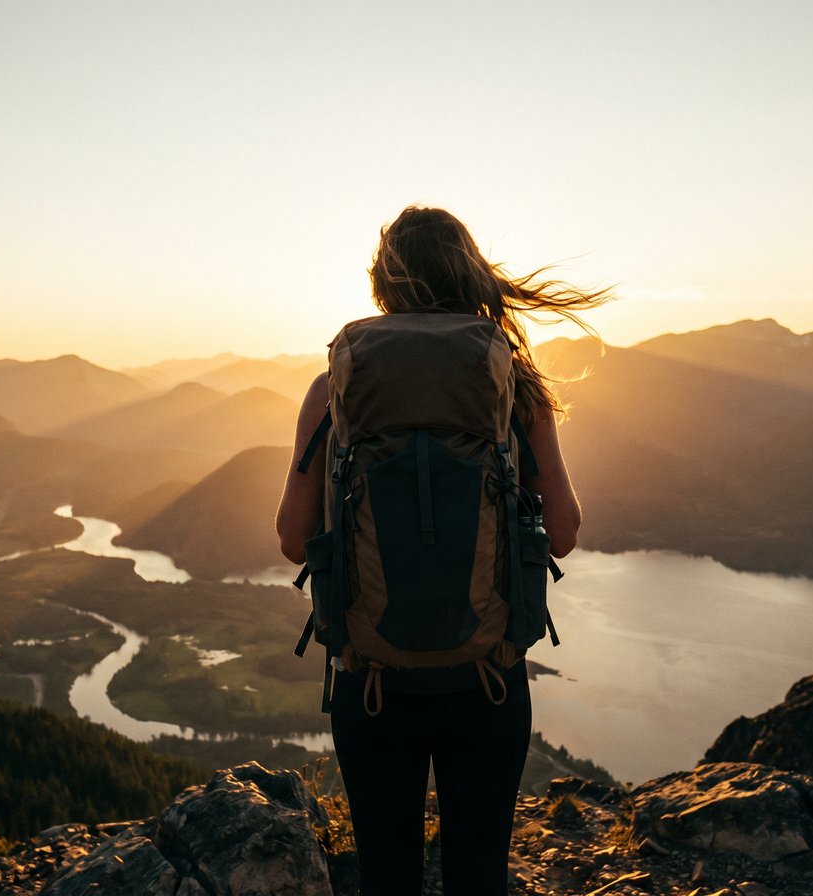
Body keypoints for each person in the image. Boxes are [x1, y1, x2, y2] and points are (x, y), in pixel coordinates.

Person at [275, 206, 608, 895]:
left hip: (372, 684)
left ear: (383, 284)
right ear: (470, 274)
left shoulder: (333, 388)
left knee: (388, 878)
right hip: (485, 679)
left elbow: (289, 537)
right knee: (477, 874)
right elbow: (566, 529)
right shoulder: (513, 382)